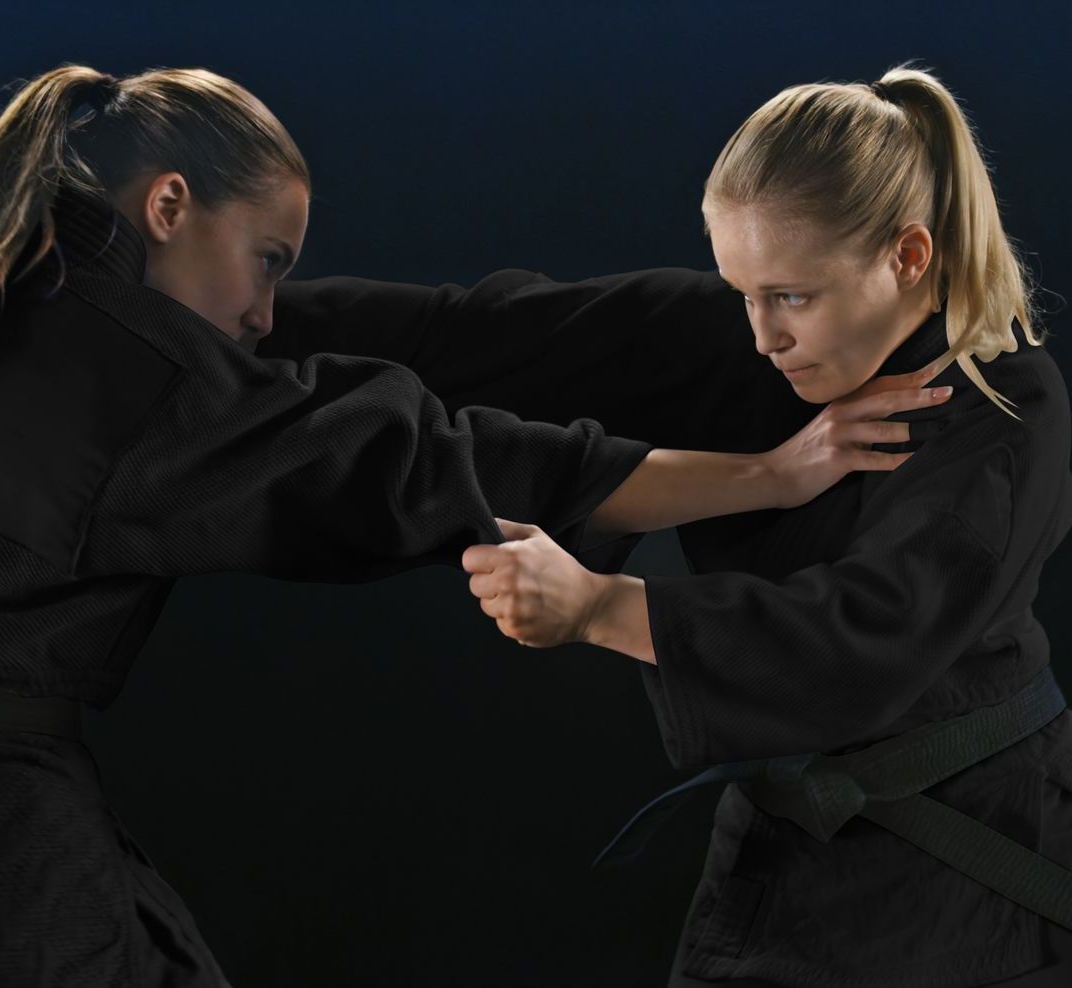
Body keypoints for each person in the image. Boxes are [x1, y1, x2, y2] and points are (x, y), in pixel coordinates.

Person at [0, 62, 942, 987]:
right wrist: (767, 478)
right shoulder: (132, 383)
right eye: (268, 259)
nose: (265, 312)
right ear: (169, 204)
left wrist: (725, 323)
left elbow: (388, 358)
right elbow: (413, 463)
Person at [449, 66, 1071, 986]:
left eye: (791, 296)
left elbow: (861, 636)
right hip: (780, 857)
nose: (760, 335)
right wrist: (252, 339)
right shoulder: (768, 364)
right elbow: (506, 336)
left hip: (970, 872)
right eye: (742, 292)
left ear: (905, 257)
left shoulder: (1002, 409)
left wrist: (601, 607)